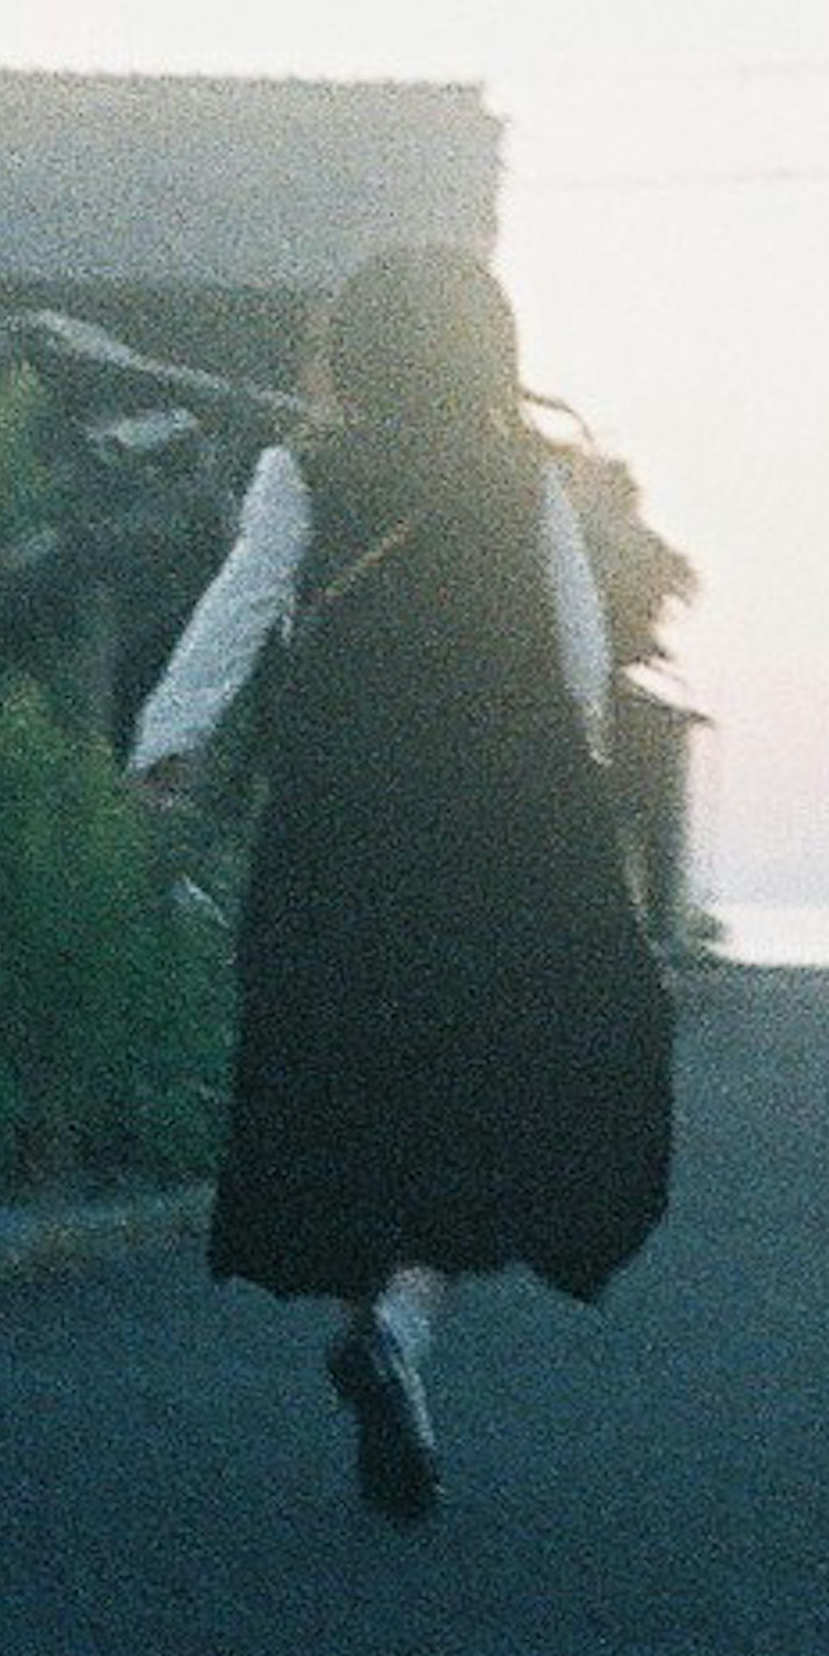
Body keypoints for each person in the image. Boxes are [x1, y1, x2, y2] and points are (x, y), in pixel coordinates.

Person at [129, 245, 675, 1518]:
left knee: (345, 1081)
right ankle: (406, 1334)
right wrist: (591, 799)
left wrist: (169, 735)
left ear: (353, 349)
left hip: (345, 819)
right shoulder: (527, 478)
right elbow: (577, 641)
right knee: (507, 1084)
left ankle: (375, 1325)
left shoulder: (302, 472)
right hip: (509, 824)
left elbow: (245, 603)